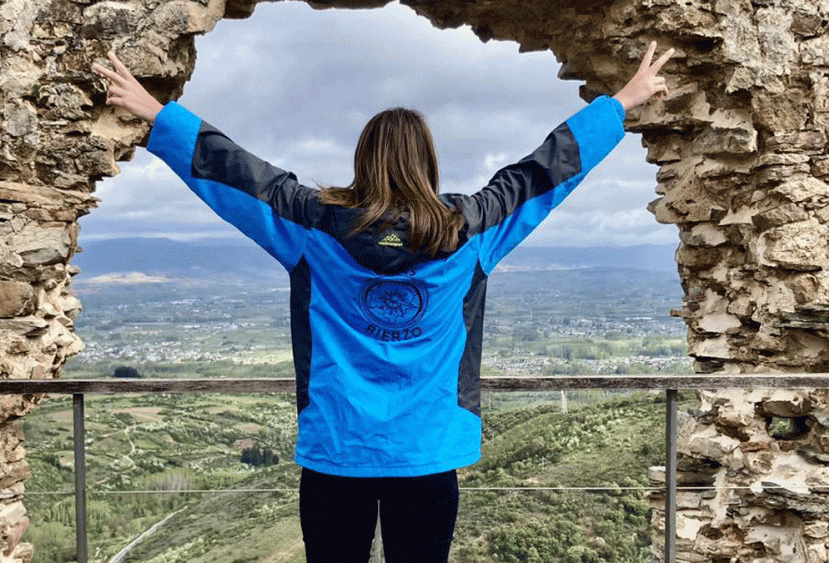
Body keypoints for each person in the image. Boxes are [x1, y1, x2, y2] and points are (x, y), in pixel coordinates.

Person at [93, 40, 672, 563]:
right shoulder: (470, 231)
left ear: (363, 158)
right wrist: (619, 101)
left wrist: (157, 114)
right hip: (427, 451)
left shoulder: (312, 226)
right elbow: (543, 173)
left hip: (336, 449)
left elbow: (239, 175)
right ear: (428, 162)